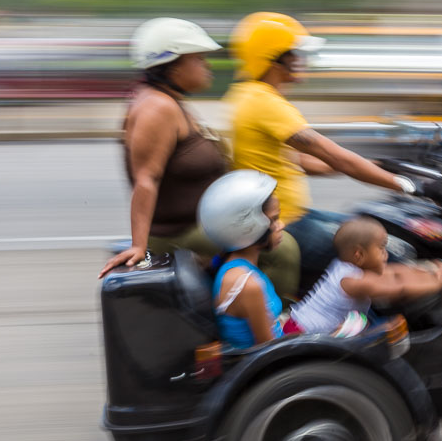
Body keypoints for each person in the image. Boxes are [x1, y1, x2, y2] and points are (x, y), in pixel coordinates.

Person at [98, 18, 300, 300]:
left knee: (274, 231)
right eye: (199, 59)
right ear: (172, 64)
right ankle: (266, 325)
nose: (208, 66)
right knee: (283, 250)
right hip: (179, 232)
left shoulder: (169, 100)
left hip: (201, 223)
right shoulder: (157, 108)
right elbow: (146, 179)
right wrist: (138, 245)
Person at [225, 12, 421, 276]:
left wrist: (376, 166)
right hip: (287, 224)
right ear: (275, 58)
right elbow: (333, 154)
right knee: (394, 254)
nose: (301, 61)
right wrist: (404, 185)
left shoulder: (246, 95)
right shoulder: (264, 103)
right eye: (295, 54)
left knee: (374, 227)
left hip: (293, 215)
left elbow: (300, 161)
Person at [288, 217, 442, 335]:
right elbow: (398, 289)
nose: (385, 253)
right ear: (359, 254)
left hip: (299, 325)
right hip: (304, 331)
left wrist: (429, 271)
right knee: (381, 326)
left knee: (363, 321)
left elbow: (395, 271)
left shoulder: (349, 266)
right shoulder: (353, 281)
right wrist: (440, 283)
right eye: (381, 248)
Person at [198, 170, 286, 349]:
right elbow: (270, 348)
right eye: (274, 219)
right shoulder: (247, 285)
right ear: (249, 226)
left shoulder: (232, 266)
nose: (281, 225)